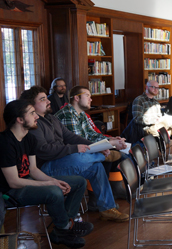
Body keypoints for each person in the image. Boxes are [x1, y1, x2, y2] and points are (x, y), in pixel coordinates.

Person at [19, 86, 129, 223]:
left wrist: (97, 147)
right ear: (32, 106)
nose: (48, 101)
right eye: (42, 99)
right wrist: (75, 149)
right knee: (78, 156)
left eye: (46, 97)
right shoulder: (34, 125)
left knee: (96, 168)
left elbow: (71, 137)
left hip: (62, 161)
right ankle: (103, 156)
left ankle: (107, 208)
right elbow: (44, 150)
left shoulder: (52, 119)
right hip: (45, 168)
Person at [0, 100, 93, 247]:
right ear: (20, 119)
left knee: (79, 182)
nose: (37, 116)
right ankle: (65, 229)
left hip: (27, 180)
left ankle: (63, 228)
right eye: (32, 113)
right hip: (11, 191)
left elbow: (33, 170)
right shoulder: (5, 142)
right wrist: (50, 183)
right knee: (54, 192)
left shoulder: (29, 138)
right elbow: (14, 182)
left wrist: (53, 181)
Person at [54, 85, 129, 201]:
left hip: (83, 151)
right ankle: (95, 199)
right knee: (107, 156)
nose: (91, 99)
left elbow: (91, 134)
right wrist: (108, 144)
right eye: (87, 96)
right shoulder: (67, 114)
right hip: (69, 156)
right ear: (76, 98)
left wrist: (111, 140)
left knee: (120, 155)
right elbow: (77, 140)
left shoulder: (81, 114)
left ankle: (116, 190)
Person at [122, 80, 172, 151]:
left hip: (158, 126)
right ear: (146, 87)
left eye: (157, 88)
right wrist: (154, 120)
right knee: (169, 122)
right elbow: (137, 119)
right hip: (146, 129)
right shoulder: (139, 100)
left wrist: (159, 119)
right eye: (153, 87)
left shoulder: (156, 102)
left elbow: (159, 117)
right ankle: (171, 127)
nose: (156, 89)